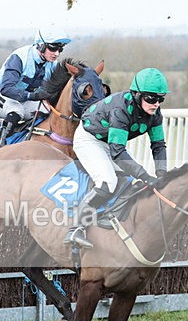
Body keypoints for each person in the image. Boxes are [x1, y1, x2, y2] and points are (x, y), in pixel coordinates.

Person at [64, 67, 170, 249]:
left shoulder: (155, 114)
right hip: (89, 139)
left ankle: (106, 215)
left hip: (109, 142)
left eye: (161, 99)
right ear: (137, 95)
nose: (156, 104)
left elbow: (158, 146)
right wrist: (145, 175)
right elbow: (118, 152)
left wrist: (162, 175)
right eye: (151, 98)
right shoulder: (121, 109)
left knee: (129, 182)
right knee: (108, 182)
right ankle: (76, 229)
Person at [0, 26, 71, 144]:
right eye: (53, 48)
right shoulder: (19, 57)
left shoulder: (53, 64)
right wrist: (33, 96)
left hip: (24, 100)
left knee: (47, 113)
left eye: (60, 50)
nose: (56, 53)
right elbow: (7, 89)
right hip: (0, 96)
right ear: (41, 45)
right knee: (16, 111)